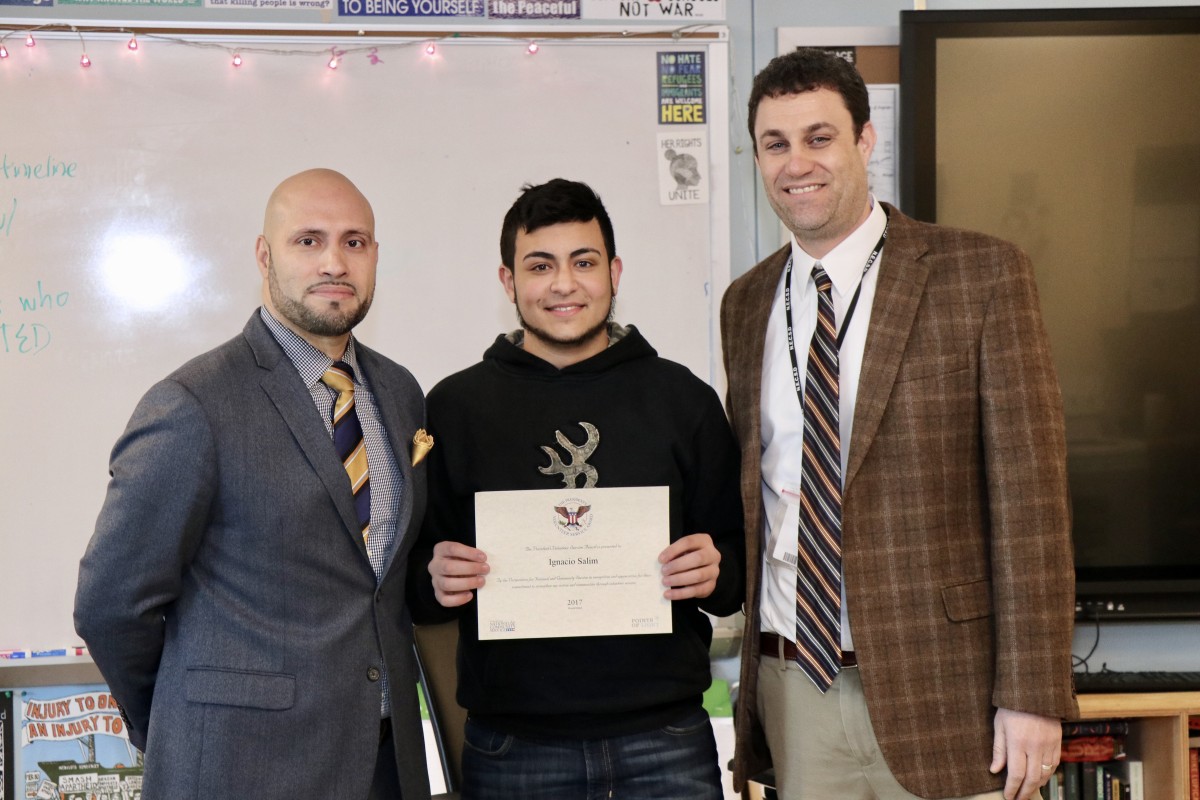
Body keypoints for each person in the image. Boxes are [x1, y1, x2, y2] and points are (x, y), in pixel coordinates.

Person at [722, 49, 1077, 800]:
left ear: (865, 141)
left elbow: (1033, 505)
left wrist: (1035, 692)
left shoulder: (979, 275)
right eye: (774, 144)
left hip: (948, 693)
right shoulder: (746, 303)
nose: (797, 164)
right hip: (796, 683)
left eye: (819, 137)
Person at [74, 168, 431, 800]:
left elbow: (379, 583)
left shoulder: (400, 393)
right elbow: (112, 603)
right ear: (264, 256)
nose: (334, 262)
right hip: (241, 768)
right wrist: (182, 721)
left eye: (355, 242)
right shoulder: (193, 404)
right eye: (307, 240)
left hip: (384, 764)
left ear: (375, 255)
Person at [408, 178, 744, 799]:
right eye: (540, 265)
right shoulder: (453, 408)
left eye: (583, 262)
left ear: (614, 272)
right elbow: (414, 588)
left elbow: (735, 573)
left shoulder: (683, 400)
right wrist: (436, 578)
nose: (564, 284)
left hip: (665, 740)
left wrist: (715, 568)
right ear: (508, 281)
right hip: (514, 749)